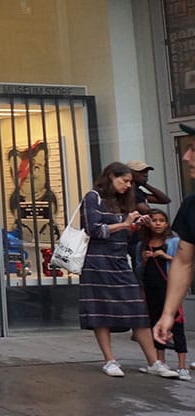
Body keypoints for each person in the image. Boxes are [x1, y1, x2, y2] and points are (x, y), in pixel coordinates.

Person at [79, 162, 179, 379]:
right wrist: (125, 223)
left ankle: (154, 362)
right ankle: (109, 360)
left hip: (120, 261)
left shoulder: (124, 201)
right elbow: (93, 229)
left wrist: (137, 224)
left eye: (130, 182)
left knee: (138, 310)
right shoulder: (93, 197)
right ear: (111, 177)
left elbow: (126, 230)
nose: (127, 185)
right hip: (98, 262)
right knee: (101, 312)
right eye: (124, 180)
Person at [155, 130, 195, 352]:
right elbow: (183, 262)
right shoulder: (191, 205)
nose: (186, 157)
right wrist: (168, 313)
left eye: (194, 150)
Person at [138, 209, 188, 380]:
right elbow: (138, 270)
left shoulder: (174, 242)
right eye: (154, 220)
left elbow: (184, 263)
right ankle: (160, 361)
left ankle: (182, 366)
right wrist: (144, 260)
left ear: (167, 223)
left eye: (161, 220)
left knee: (177, 324)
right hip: (151, 289)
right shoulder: (143, 244)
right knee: (155, 322)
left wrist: (165, 256)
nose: (158, 223)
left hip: (170, 288)